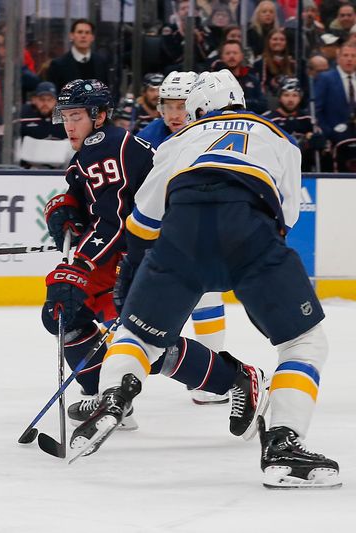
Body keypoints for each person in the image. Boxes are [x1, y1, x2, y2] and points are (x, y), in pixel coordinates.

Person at [69, 70, 339, 489]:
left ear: (197, 111)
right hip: (250, 232)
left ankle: (114, 394)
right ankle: (283, 442)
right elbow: (286, 216)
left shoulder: (180, 141)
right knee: (303, 341)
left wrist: (138, 280)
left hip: (182, 235)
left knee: (137, 333)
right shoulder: (279, 136)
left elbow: (142, 221)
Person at [42, 79, 266, 429]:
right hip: (131, 253)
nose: (69, 125)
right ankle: (107, 395)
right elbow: (85, 196)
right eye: (65, 116)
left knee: (144, 339)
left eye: (77, 116)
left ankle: (236, 379)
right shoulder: (96, 147)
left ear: (99, 116)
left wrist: (79, 264)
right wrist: (63, 208)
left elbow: (112, 220)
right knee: (70, 314)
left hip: (151, 253)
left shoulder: (106, 147)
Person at [136, 70, 230, 405]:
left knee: (207, 296)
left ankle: (214, 371)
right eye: (167, 106)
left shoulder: (215, 134)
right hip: (162, 233)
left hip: (202, 229)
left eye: (181, 105)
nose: (174, 114)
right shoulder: (147, 137)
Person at [263, 77, 324, 171]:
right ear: (279, 97)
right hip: (276, 170)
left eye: (295, 95)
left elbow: (322, 144)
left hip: (304, 171)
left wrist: (318, 141)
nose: (290, 99)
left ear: (300, 97)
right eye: (286, 95)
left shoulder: (308, 120)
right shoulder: (268, 119)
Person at [46, 19, 109, 92]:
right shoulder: (58, 65)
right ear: (71, 36)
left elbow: (107, 91)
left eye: (87, 33)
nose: (83, 36)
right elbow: (53, 96)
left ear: (92, 37)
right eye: (80, 32)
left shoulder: (101, 63)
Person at [314, 40, 356, 143]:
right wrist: (328, 132)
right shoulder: (325, 78)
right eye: (346, 55)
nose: (349, 59)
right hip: (334, 138)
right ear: (338, 58)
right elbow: (317, 109)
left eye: (353, 56)